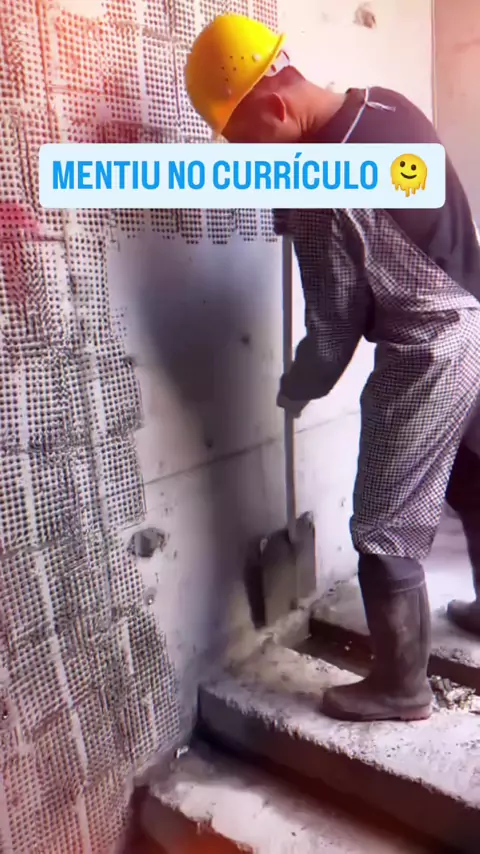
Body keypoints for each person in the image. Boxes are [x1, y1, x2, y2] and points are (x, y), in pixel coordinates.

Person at [184, 14, 480, 722]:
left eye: (245, 140)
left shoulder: (320, 187)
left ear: (274, 107)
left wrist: (301, 384)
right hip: (475, 319)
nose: (249, 160)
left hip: (428, 352)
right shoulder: (385, 104)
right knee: (474, 480)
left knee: (383, 522)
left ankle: (401, 688)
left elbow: (334, 323)